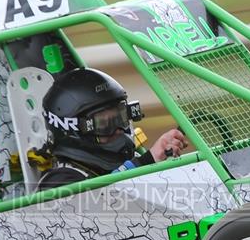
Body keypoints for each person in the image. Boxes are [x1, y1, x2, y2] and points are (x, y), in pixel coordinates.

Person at [37, 68, 188, 190]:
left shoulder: (126, 159)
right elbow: (99, 208)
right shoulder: (59, 182)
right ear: (71, 129)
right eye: (104, 124)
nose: (118, 130)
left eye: (120, 117)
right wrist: (146, 161)